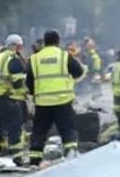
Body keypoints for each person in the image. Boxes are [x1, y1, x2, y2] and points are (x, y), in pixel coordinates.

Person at [26, 29, 85, 166]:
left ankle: (35, 159)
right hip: (63, 101)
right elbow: (79, 72)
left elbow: (29, 81)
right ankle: (71, 157)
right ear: (58, 41)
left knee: (39, 131)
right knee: (67, 130)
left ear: (44, 42)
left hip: (42, 103)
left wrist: (35, 94)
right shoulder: (64, 56)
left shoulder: (34, 59)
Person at [0, 34, 27, 156]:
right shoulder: (12, 59)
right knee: (15, 124)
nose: (21, 50)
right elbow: (17, 83)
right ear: (14, 46)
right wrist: (25, 93)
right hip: (5, 95)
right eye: (19, 47)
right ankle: (16, 152)